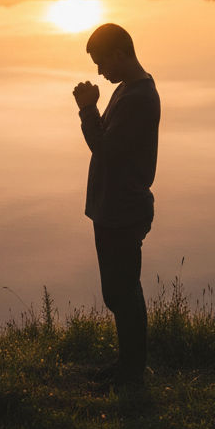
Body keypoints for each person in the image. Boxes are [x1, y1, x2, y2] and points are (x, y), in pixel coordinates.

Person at [73, 22, 160, 389]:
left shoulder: (139, 97)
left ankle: (131, 374)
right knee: (118, 292)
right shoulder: (127, 89)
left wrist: (88, 110)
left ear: (120, 56)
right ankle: (127, 366)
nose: (99, 72)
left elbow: (105, 150)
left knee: (123, 293)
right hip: (114, 209)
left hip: (123, 211)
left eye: (101, 63)